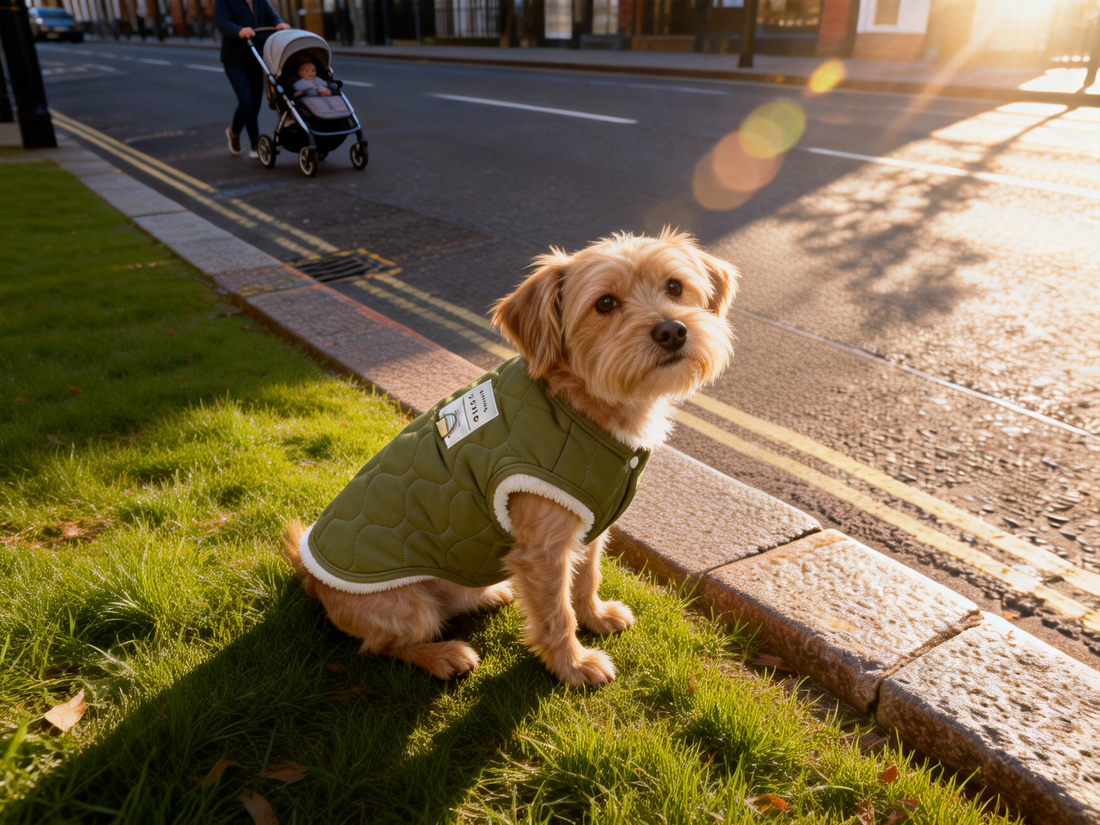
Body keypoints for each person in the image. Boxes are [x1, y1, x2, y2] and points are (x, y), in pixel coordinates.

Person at [214, 0, 288, 159]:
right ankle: (256, 145)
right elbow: (221, 21)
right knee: (246, 100)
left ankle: (234, 132)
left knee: (254, 103)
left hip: (256, 57)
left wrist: (280, 24)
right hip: (234, 60)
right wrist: (238, 30)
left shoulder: (260, 1)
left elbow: (273, 17)